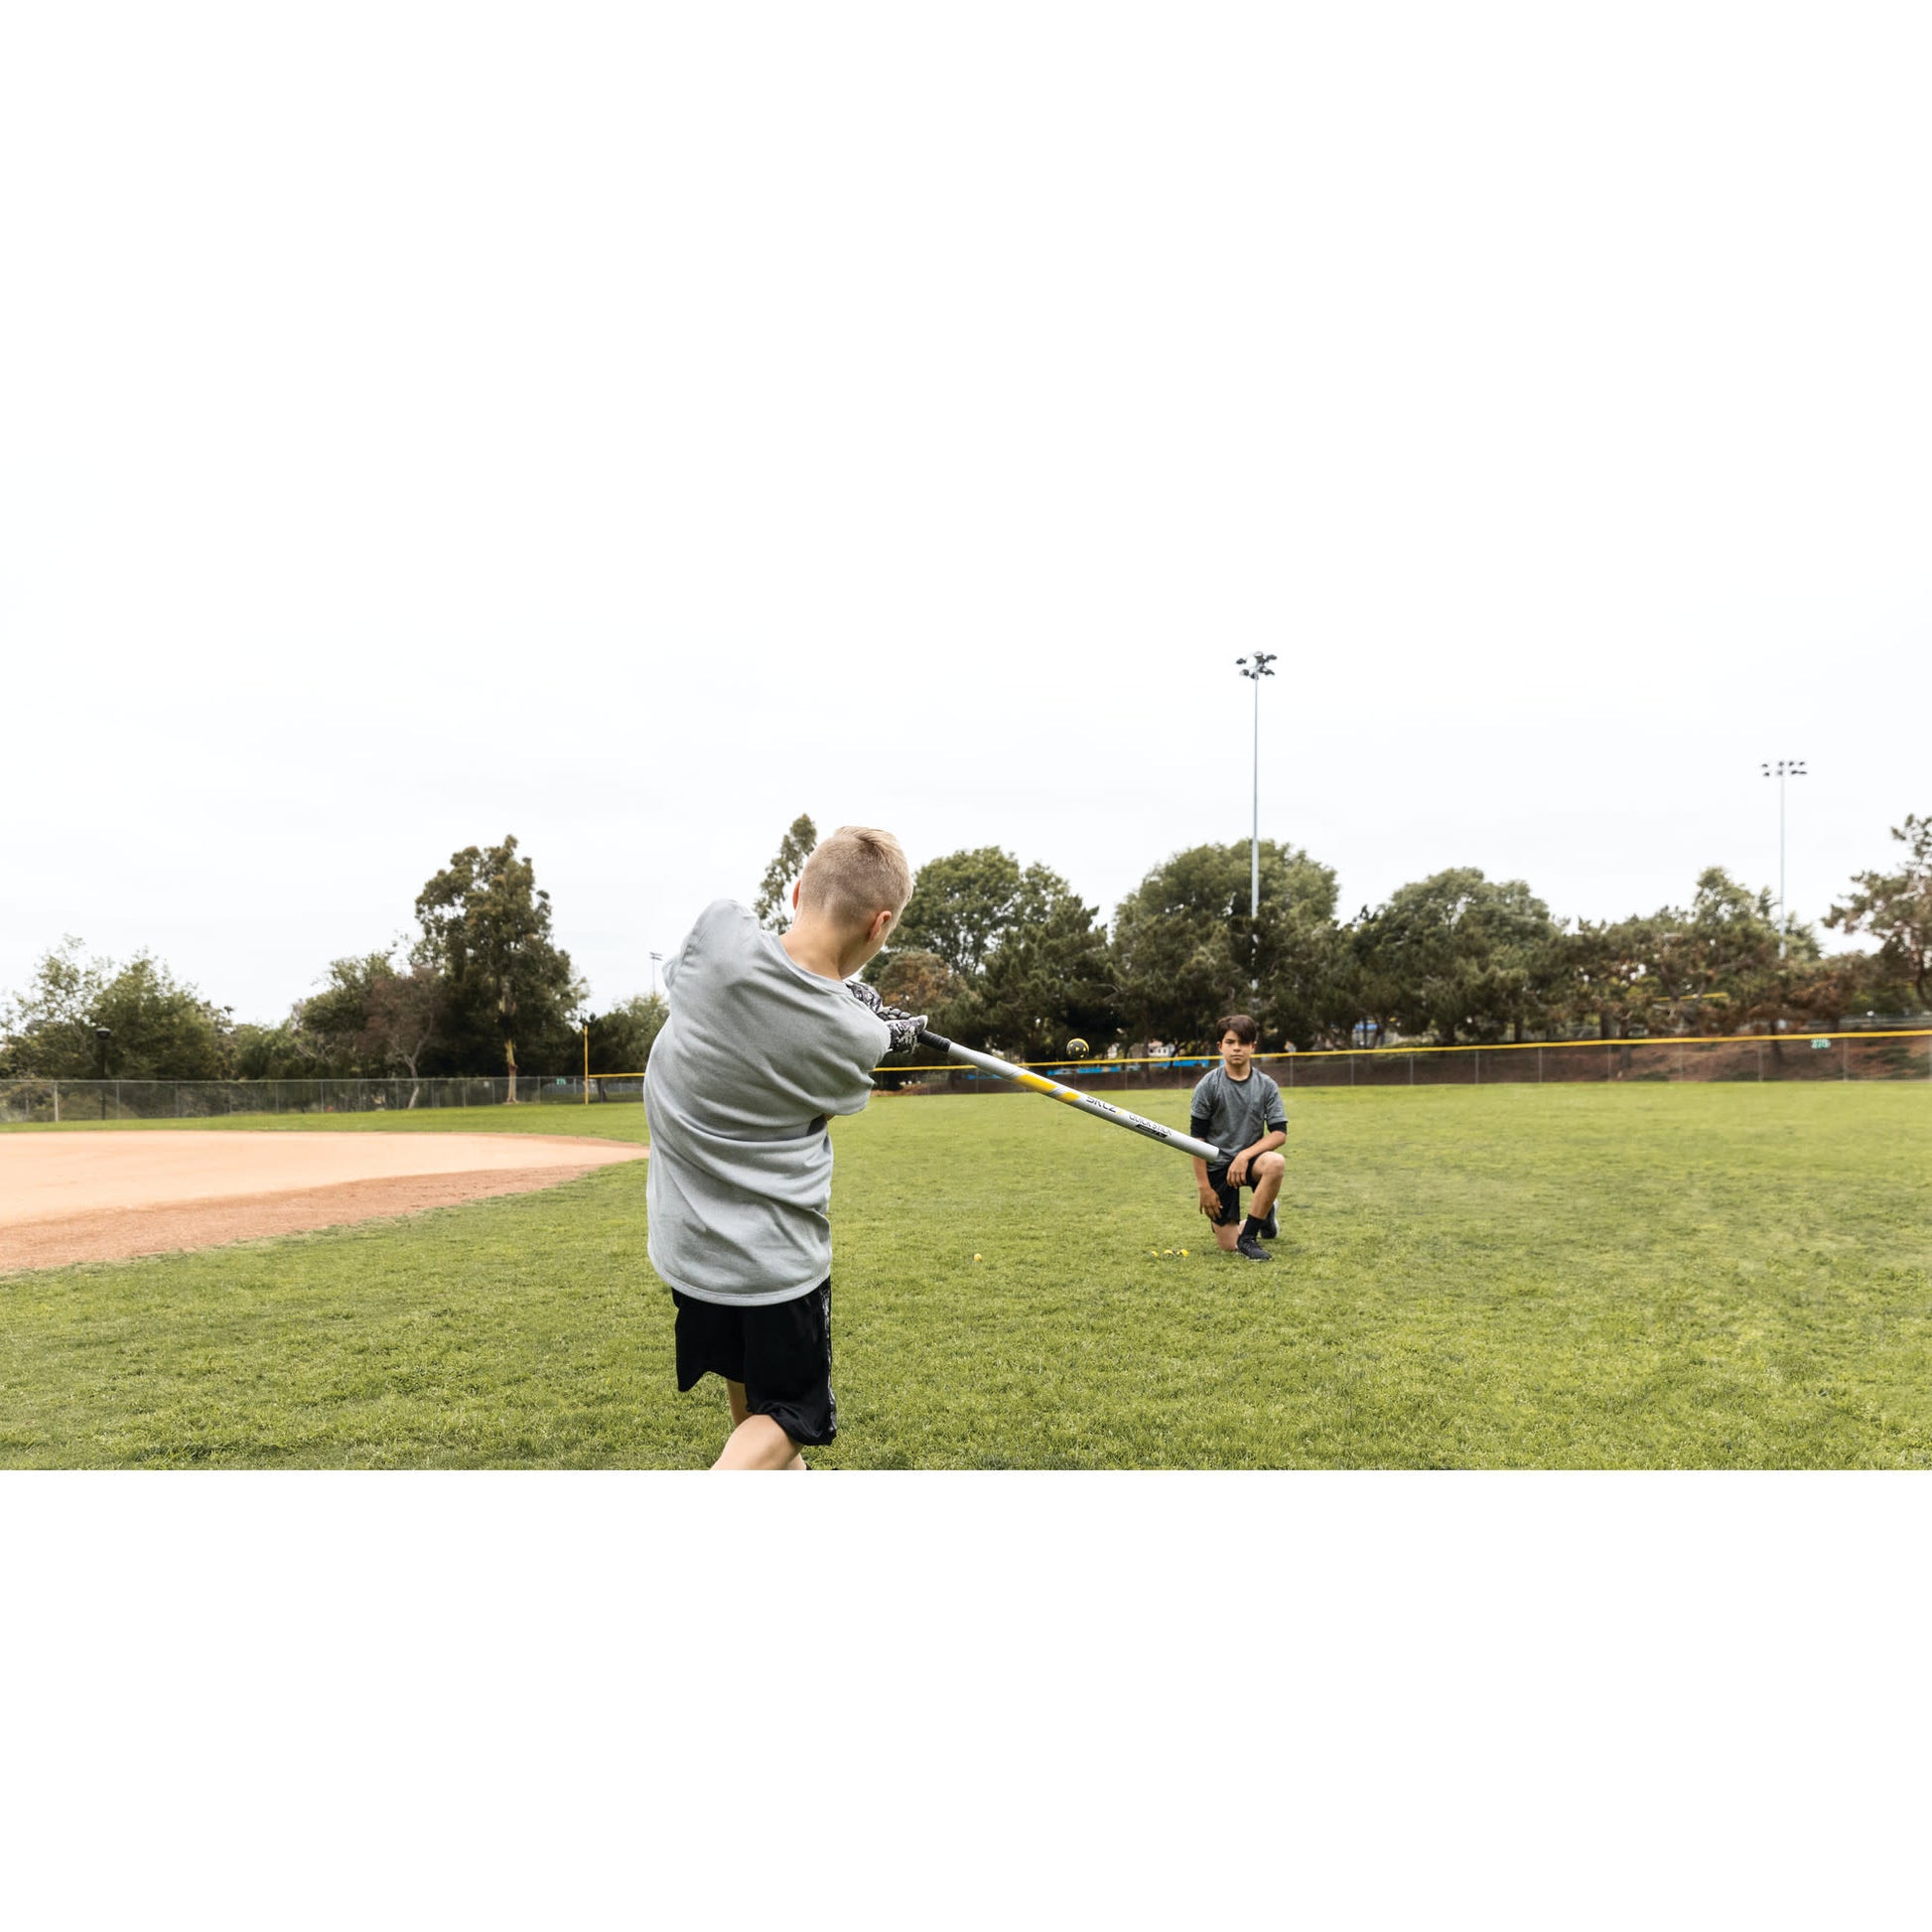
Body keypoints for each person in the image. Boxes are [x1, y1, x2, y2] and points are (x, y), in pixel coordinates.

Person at [643, 826, 921, 1468]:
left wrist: (847, 1006)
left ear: (798, 889)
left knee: (755, 1420)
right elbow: (821, 1099)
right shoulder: (857, 1039)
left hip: (689, 1248)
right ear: (880, 927)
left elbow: (690, 986)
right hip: (773, 1269)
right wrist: (873, 1025)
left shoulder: (718, 933)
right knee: (791, 1418)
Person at [1188, 1014, 1287, 1262]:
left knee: (1275, 1162)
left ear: (1253, 1046)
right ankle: (1265, 1214)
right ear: (1220, 1046)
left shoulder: (1266, 1086)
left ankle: (1249, 1238)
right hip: (1218, 1164)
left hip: (1251, 1160)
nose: (1237, 1048)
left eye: (1243, 1043)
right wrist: (1204, 1187)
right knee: (1226, 1245)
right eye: (1230, 1042)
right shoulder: (1208, 1086)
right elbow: (1196, 1140)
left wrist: (1244, 1155)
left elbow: (1279, 1133)